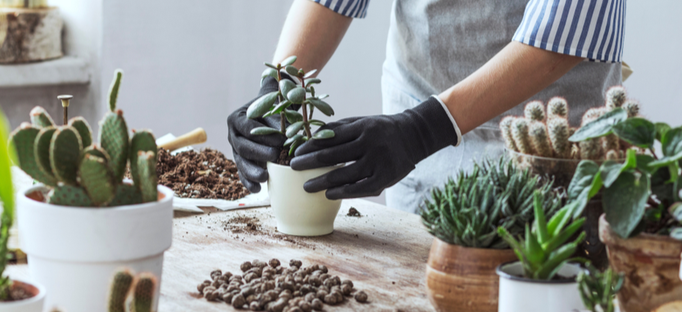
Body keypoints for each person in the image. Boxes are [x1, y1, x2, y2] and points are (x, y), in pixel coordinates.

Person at [227, 0, 624, 213]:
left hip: (550, 150)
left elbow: (567, 28)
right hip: (420, 149)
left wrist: (423, 129)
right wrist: (278, 87)